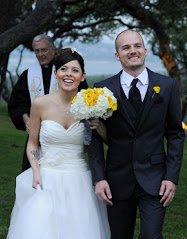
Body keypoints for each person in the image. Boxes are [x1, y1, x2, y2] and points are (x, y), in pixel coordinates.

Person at [88, 29, 185, 239]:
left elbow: (176, 134)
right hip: (117, 179)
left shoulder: (167, 86)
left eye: (137, 46)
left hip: (156, 179)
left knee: (152, 236)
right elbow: (94, 138)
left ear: (145, 50)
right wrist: (99, 178)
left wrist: (171, 177)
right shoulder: (102, 89)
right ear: (117, 55)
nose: (132, 51)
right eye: (126, 47)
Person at [6, 48, 110, 239]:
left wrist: (98, 125)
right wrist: (37, 170)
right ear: (56, 73)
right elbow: (33, 145)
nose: (68, 74)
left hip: (79, 180)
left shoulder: (91, 104)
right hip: (46, 176)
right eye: (63, 69)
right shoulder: (40, 104)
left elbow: (108, 141)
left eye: (75, 70)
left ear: (82, 75)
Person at [8, 34, 88, 171]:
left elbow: (83, 96)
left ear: (53, 49)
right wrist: (27, 119)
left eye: (44, 50)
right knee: (35, 172)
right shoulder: (28, 75)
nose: (40, 54)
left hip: (63, 135)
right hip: (38, 137)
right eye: (37, 51)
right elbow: (17, 102)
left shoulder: (66, 71)